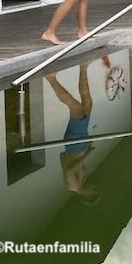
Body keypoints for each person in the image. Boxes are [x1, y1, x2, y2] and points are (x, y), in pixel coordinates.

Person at [46, 63, 100, 205]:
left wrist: (86, 154)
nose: (94, 186)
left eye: (94, 189)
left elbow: (69, 170)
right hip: (79, 142)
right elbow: (63, 157)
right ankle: (83, 67)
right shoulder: (81, 181)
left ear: (88, 195)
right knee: (88, 104)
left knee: (75, 107)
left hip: (74, 143)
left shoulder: (73, 187)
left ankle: (50, 78)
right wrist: (85, 148)